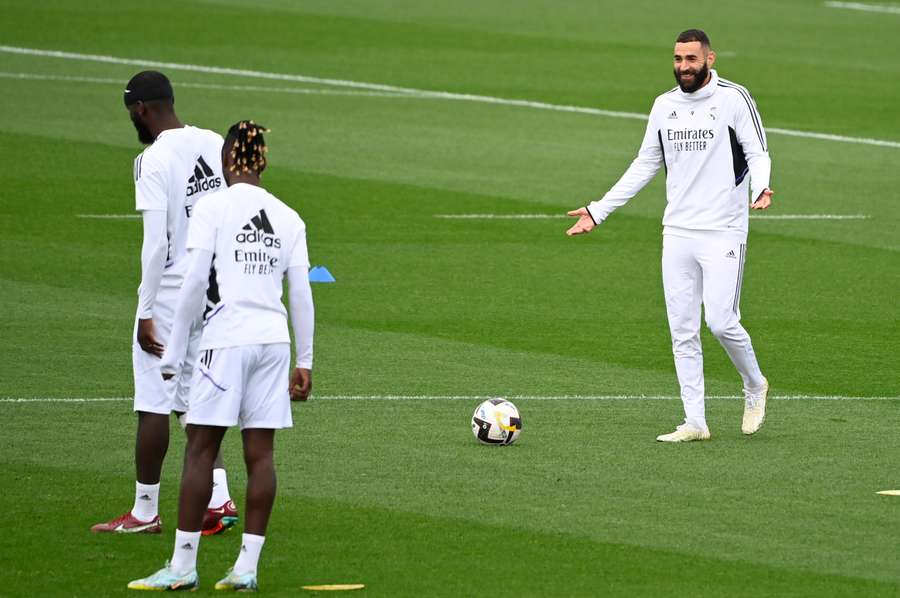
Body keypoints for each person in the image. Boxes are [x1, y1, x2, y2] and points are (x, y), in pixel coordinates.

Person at [128, 121, 315, 592]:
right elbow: (301, 294)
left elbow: (193, 283)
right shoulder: (289, 215)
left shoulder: (212, 207)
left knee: (200, 448)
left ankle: (183, 566)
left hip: (226, 340)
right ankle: (246, 568)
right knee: (261, 454)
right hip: (273, 343)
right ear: (263, 159)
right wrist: (305, 360)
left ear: (229, 157)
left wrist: (172, 351)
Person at [566, 29, 773, 442]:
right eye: (678, 59)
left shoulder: (733, 98)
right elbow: (645, 164)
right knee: (682, 330)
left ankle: (754, 384)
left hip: (722, 230)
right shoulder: (664, 106)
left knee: (720, 321)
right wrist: (597, 210)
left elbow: (757, 151)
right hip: (677, 231)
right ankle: (695, 421)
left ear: (709, 59)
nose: (683, 67)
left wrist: (761, 186)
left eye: (691, 59)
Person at [92, 71, 238, 535]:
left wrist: (145, 310)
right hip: (214, 289)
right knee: (197, 399)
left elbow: (156, 244)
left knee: (153, 401)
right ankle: (218, 499)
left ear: (141, 110)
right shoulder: (214, 141)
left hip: (173, 293)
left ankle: (144, 511)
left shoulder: (151, 160)